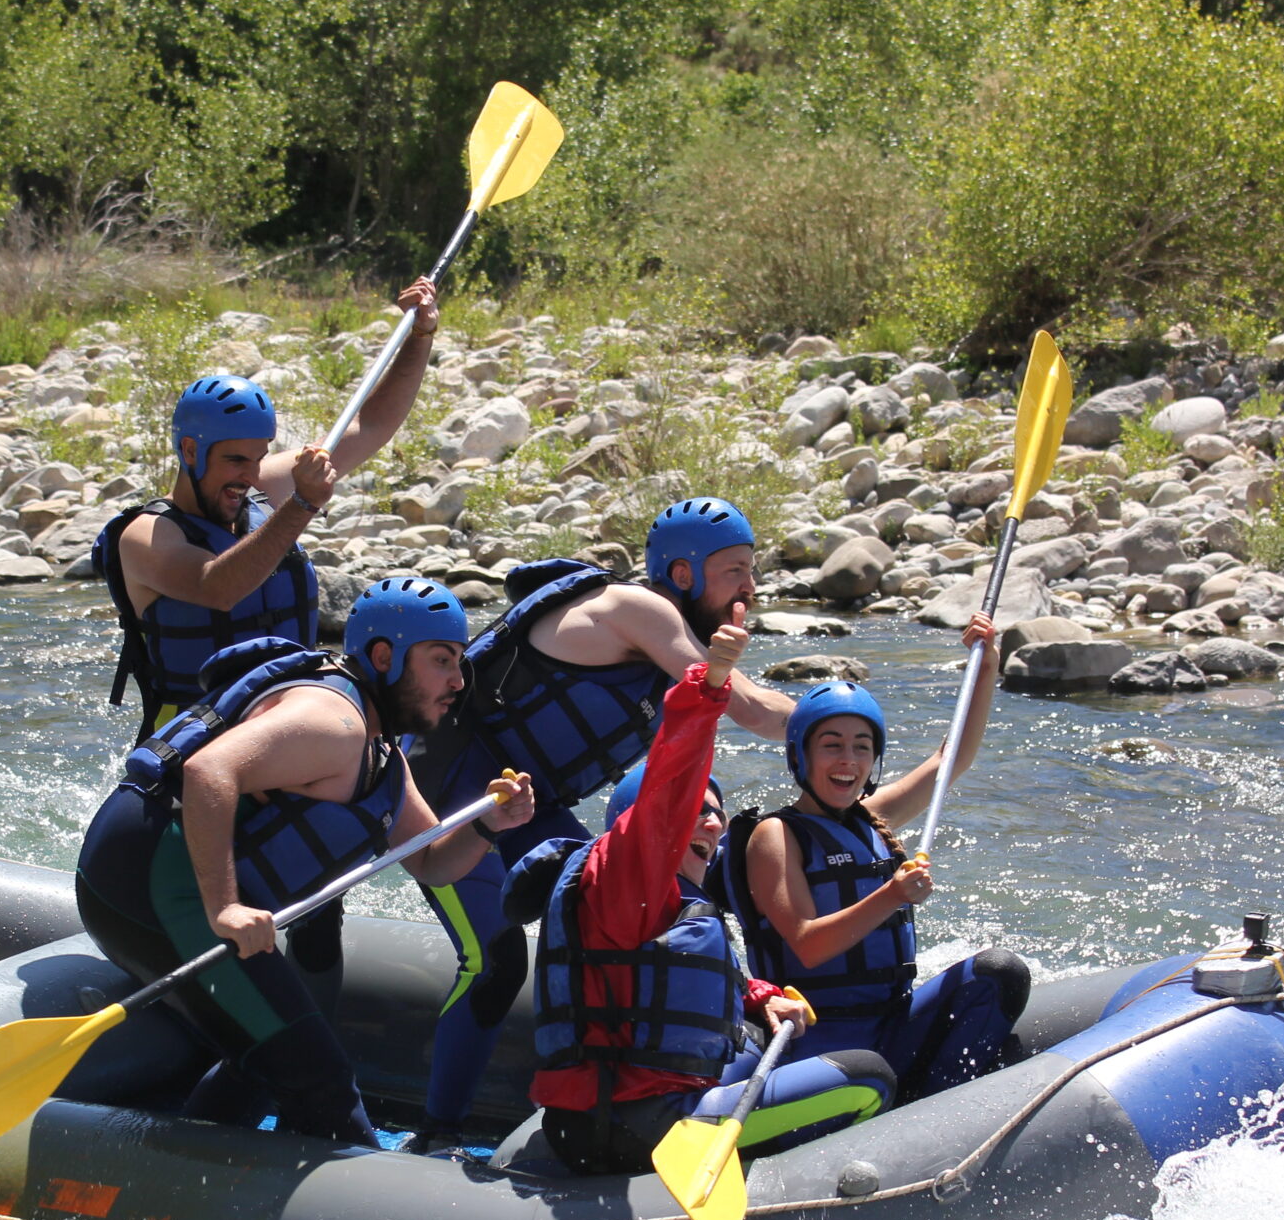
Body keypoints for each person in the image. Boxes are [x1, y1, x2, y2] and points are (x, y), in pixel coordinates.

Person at [75, 578, 536, 1146]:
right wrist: (226, 910)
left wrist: (491, 824)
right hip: (148, 880)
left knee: (270, 1061)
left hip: (172, 888)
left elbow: (433, 863)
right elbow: (209, 771)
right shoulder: (333, 721)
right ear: (385, 657)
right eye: (442, 661)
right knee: (319, 1077)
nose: (457, 681)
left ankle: (185, 1182)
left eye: (460, 663)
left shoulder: (380, 751)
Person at [405, 496, 799, 1150]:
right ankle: (437, 1132)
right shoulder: (640, 610)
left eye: (751, 571)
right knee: (496, 960)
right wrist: (842, 720)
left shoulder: (664, 627)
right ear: (682, 575)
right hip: (452, 794)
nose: (750, 588)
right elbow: (750, 708)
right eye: (734, 571)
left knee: (619, 928)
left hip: (527, 802)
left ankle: (617, 1081)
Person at [504, 612, 893, 1177]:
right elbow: (674, 772)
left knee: (758, 1039)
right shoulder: (626, 874)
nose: (711, 824)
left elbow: (686, 982)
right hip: (644, 1124)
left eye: (716, 813)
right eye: (694, 813)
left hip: (617, 1111)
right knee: (867, 1078)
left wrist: (759, 996)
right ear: (647, 824)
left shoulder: (668, 905)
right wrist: (711, 682)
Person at [94, 279, 442, 745]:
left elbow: (370, 425)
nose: (250, 475)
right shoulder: (145, 538)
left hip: (293, 715)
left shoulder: (258, 488)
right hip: (199, 739)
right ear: (191, 451)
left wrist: (420, 338)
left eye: (259, 458)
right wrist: (302, 503)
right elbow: (219, 586)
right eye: (235, 460)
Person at [716, 623, 1031, 1101]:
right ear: (801, 756)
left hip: (892, 1019)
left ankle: (942, 1106)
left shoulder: (873, 818)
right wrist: (892, 896)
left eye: (862, 746)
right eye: (832, 744)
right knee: (866, 1071)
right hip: (819, 1036)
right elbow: (807, 945)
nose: (848, 759)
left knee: (1000, 973)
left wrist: (986, 668)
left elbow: (953, 758)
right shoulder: (775, 836)